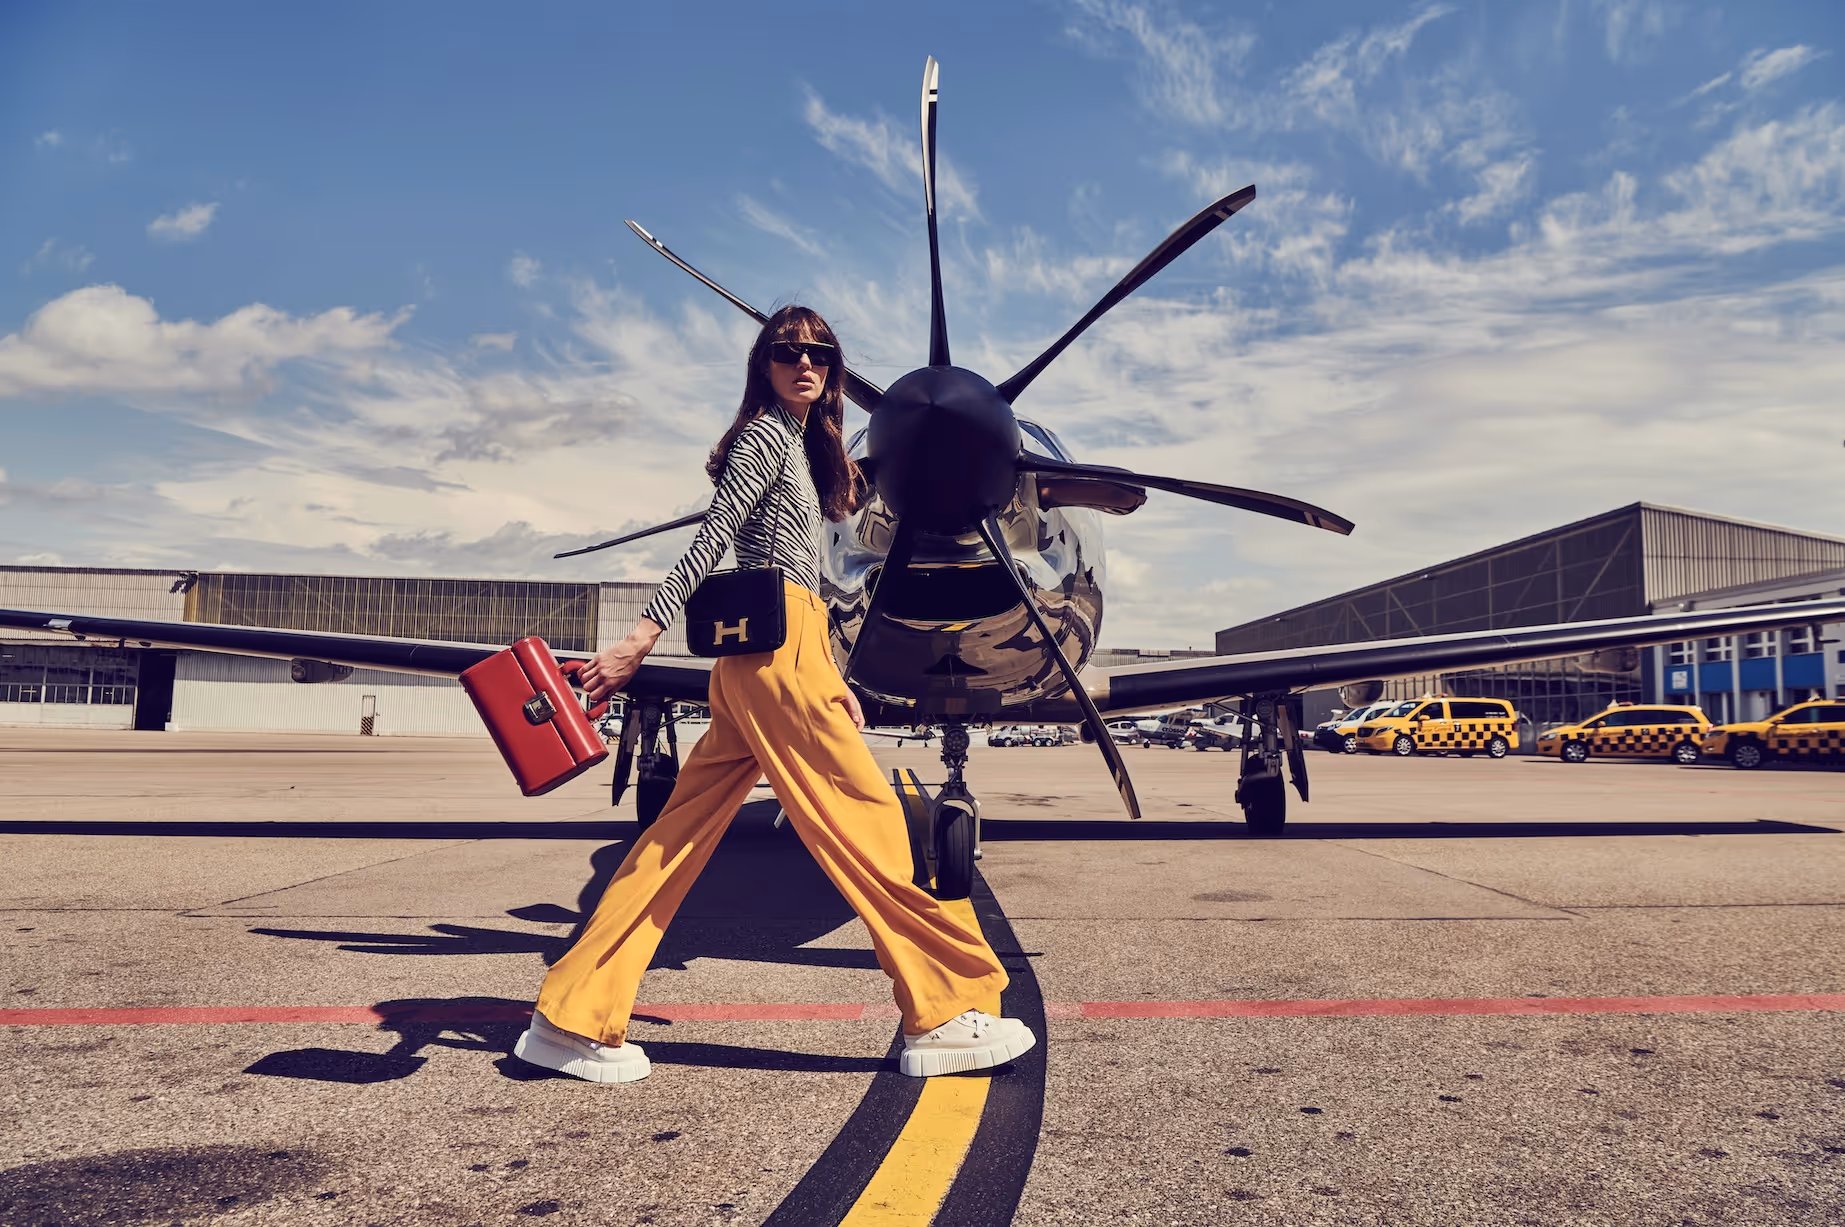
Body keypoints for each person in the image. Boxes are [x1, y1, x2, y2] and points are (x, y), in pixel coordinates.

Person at [512, 305, 1036, 1083]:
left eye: (820, 353)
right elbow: (713, 535)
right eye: (788, 351)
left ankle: (570, 1016)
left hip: (774, 657)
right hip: (770, 656)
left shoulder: (799, 447)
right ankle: (940, 1008)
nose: (806, 363)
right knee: (871, 827)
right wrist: (642, 635)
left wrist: (833, 675)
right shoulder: (763, 437)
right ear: (763, 363)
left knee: (669, 843)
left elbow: (807, 581)